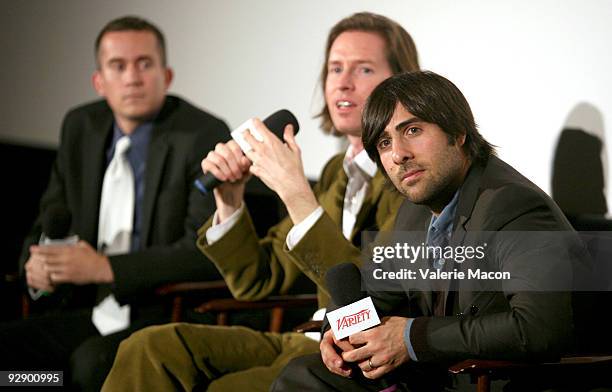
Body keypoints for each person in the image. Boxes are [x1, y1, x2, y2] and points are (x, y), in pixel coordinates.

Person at [102, 12, 428, 392]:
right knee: (150, 346)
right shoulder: (334, 175)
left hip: (352, 356)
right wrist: (230, 199)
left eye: (364, 69)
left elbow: (369, 298)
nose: (343, 82)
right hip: (302, 339)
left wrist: (295, 193)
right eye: (335, 68)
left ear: (400, 84)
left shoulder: (411, 180)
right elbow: (259, 278)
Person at [272, 71, 580, 391]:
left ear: (458, 132)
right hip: (438, 376)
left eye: (413, 130)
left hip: (498, 382)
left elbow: (539, 328)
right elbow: (368, 285)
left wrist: (409, 337)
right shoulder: (414, 211)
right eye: (385, 142)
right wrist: (334, 333)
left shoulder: (513, 206)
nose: (398, 154)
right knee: (304, 375)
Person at [0, 16, 229, 391]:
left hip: (160, 312)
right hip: (87, 308)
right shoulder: (80, 127)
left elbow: (204, 253)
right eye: (118, 67)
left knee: (88, 366)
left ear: (166, 76)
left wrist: (105, 268)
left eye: (144, 64)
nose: (132, 78)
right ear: (99, 81)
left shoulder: (202, 134)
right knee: (15, 368)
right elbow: (46, 222)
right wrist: (36, 268)